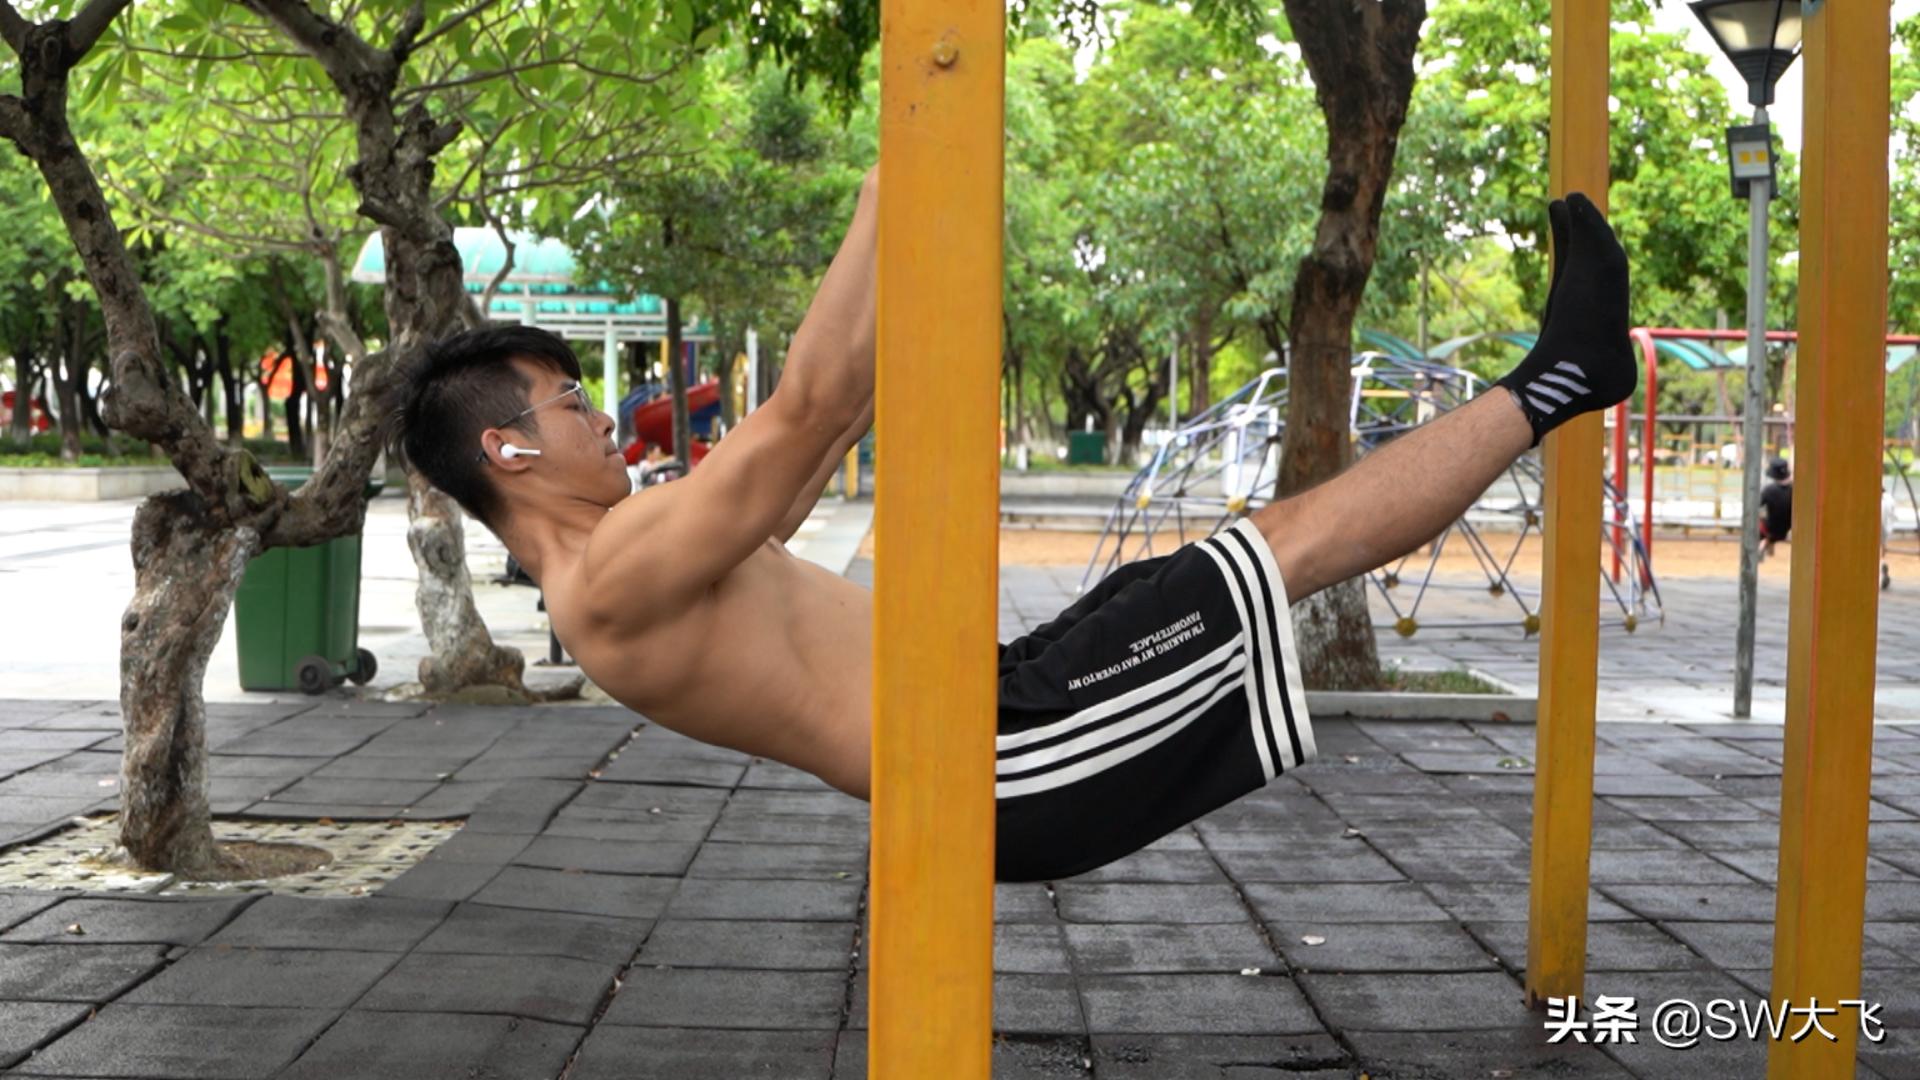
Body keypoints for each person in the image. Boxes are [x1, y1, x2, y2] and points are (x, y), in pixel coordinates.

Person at [386, 178, 1636, 882]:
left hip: (1003, 710)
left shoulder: (631, 558)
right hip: (1001, 766)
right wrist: (901, 161)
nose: (602, 420)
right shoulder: (606, 582)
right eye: (571, 405)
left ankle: (1556, 378)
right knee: (1280, 548)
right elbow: (807, 400)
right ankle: (1562, 379)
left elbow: (828, 425)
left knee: (1216, 562)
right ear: (508, 450)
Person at [1759, 457, 1791, 560]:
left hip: (1770, 528)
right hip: (1787, 528)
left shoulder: (1769, 490)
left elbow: (1758, 505)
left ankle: (1764, 545)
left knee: (1761, 522)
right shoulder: (1794, 490)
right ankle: (1769, 545)